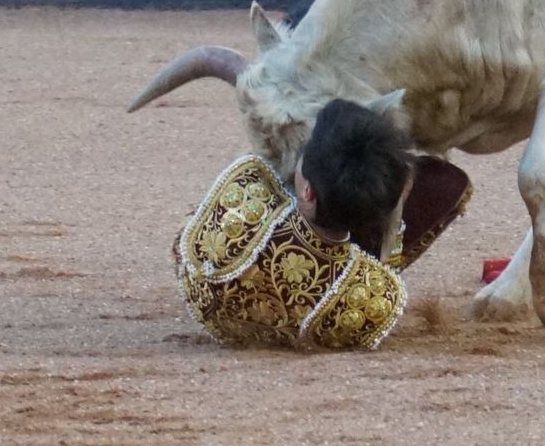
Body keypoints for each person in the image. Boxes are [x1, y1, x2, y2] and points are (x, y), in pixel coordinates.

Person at [173, 98, 471, 350]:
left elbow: (182, 246)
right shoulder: (372, 298)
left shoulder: (245, 196)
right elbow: (384, 270)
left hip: (211, 311)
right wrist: (392, 219)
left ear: (307, 192)